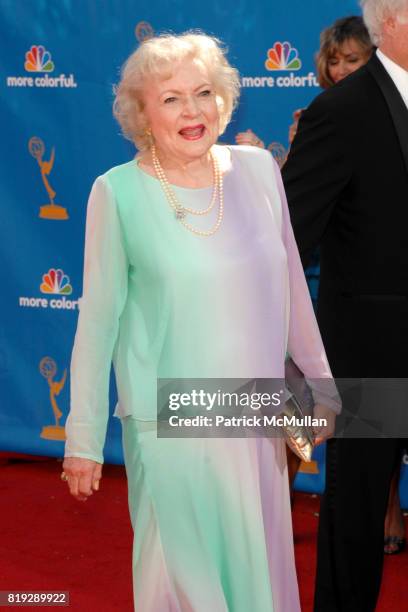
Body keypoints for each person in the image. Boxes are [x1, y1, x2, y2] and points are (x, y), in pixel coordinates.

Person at [61, 32, 339, 612]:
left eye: (204, 93)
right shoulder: (117, 194)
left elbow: (291, 286)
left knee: (254, 577)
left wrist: (319, 385)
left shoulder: (260, 171)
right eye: (171, 99)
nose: (192, 111)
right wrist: (83, 438)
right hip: (169, 427)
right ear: (142, 113)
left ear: (225, 100)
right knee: (185, 586)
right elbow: (97, 325)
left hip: (255, 421)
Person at [282, 0, 408, 610]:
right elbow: (290, 234)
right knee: (356, 519)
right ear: (392, 23)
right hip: (370, 352)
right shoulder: (339, 113)